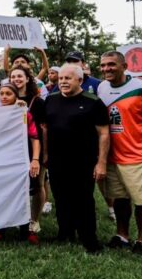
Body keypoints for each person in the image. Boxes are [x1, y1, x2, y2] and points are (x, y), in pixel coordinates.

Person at [98, 51, 142, 255]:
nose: (106, 69)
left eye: (111, 64)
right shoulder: (102, 87)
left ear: (125, 66)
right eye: (103, 65)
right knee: (120, 199)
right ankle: (122, 236)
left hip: (137, 155)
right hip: (112, 155)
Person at [44, 64, 108, 253]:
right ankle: (65, 232)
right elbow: (45, 128)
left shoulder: (93, 102)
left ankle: (89, 238)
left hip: (83, 161)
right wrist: (45, 154)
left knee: (83, 200)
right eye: (61, 78)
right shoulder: (51, 99)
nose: (63, 82)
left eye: (68, 78)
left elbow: (104, 133)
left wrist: (101, 162)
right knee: (60, 197)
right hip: (56, 159)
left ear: (80, 80)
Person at [0, 83, 42, 245]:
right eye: (2, 94)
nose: (4, 97)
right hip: (0, 160)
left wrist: (35, 159)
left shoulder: (24, 113)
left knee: (23, 193)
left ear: (16, 96)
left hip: (20, 159)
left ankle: (26, 229)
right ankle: (0, 228)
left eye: (8, 94)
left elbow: (35, 138)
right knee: (2, 193)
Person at [8, 66, 47, 232]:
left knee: (37, 184)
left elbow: (44, 128)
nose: (16, 79)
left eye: (19, 76)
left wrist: (44, 154)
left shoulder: (37, 102)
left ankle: (34, 220)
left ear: (27, 79)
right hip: (13, 150)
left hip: (35, 148)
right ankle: (18, 217)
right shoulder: (6, 98)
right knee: (16, 185)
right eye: (13, 77)